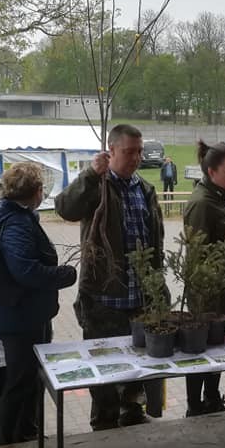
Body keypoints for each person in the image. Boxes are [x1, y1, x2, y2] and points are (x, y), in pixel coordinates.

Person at [55, 124, 166, 430]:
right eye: (129, 152)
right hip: (104, 300)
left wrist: (158, 287)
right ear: (111, 150)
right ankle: (103, 425)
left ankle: (132, 411)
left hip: (140, 300)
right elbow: (65, 208)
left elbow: (155, 242)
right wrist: (90, 175)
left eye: (139, 151)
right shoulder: (98, 186)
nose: (137, 158)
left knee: (138, 364)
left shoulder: (145, 190)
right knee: (104, 369)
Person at [0, 162, 77, 445]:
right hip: (19, 317)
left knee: (28, 379)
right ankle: (6, 443)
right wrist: (64, 274)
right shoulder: (15, 222)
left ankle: (25, 433)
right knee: (19, 380)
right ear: (36, 191)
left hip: (25, 313)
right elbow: (25, 271)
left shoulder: (15, 216)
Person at [183, 140, 225, 416]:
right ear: (211, 172)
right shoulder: (202, 203)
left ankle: (211, 397)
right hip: (207, 293)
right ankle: (194, 405)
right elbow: (198, 253)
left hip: (223, 291)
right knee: (200, 350)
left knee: (218, 348)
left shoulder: (218, 197)